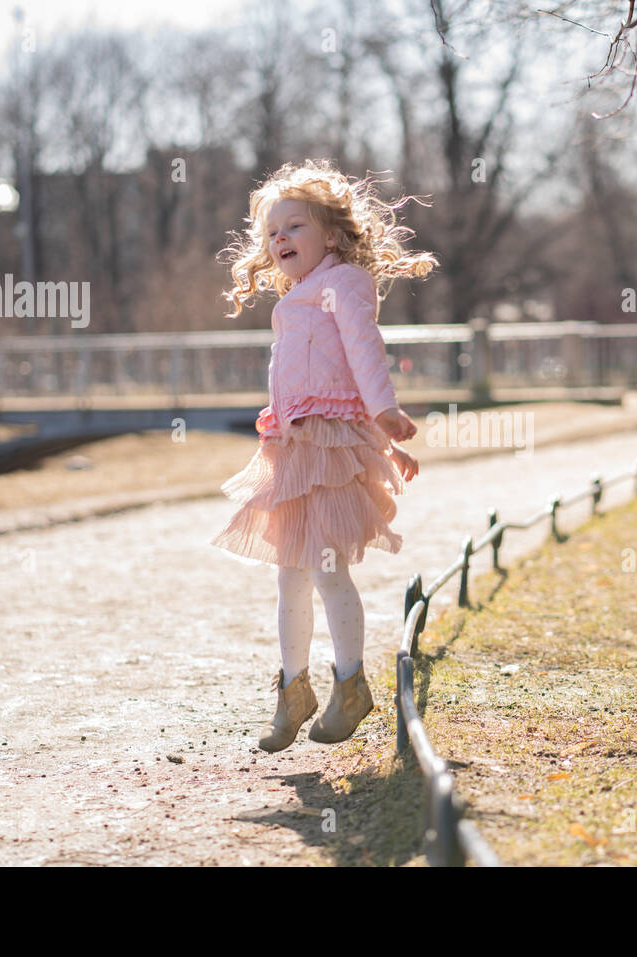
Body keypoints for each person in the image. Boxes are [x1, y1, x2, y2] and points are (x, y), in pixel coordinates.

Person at [211, 159, 437, 752]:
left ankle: (351, 684)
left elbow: (363, 352)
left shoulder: (343, 285)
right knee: (291, 576)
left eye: (295, 226)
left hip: (331, 451)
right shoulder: (298, 298)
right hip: (293, 451)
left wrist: (385, 416)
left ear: (331, 235)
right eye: (271, 232)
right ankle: (293, 690)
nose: (280, 239)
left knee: (329, 570)